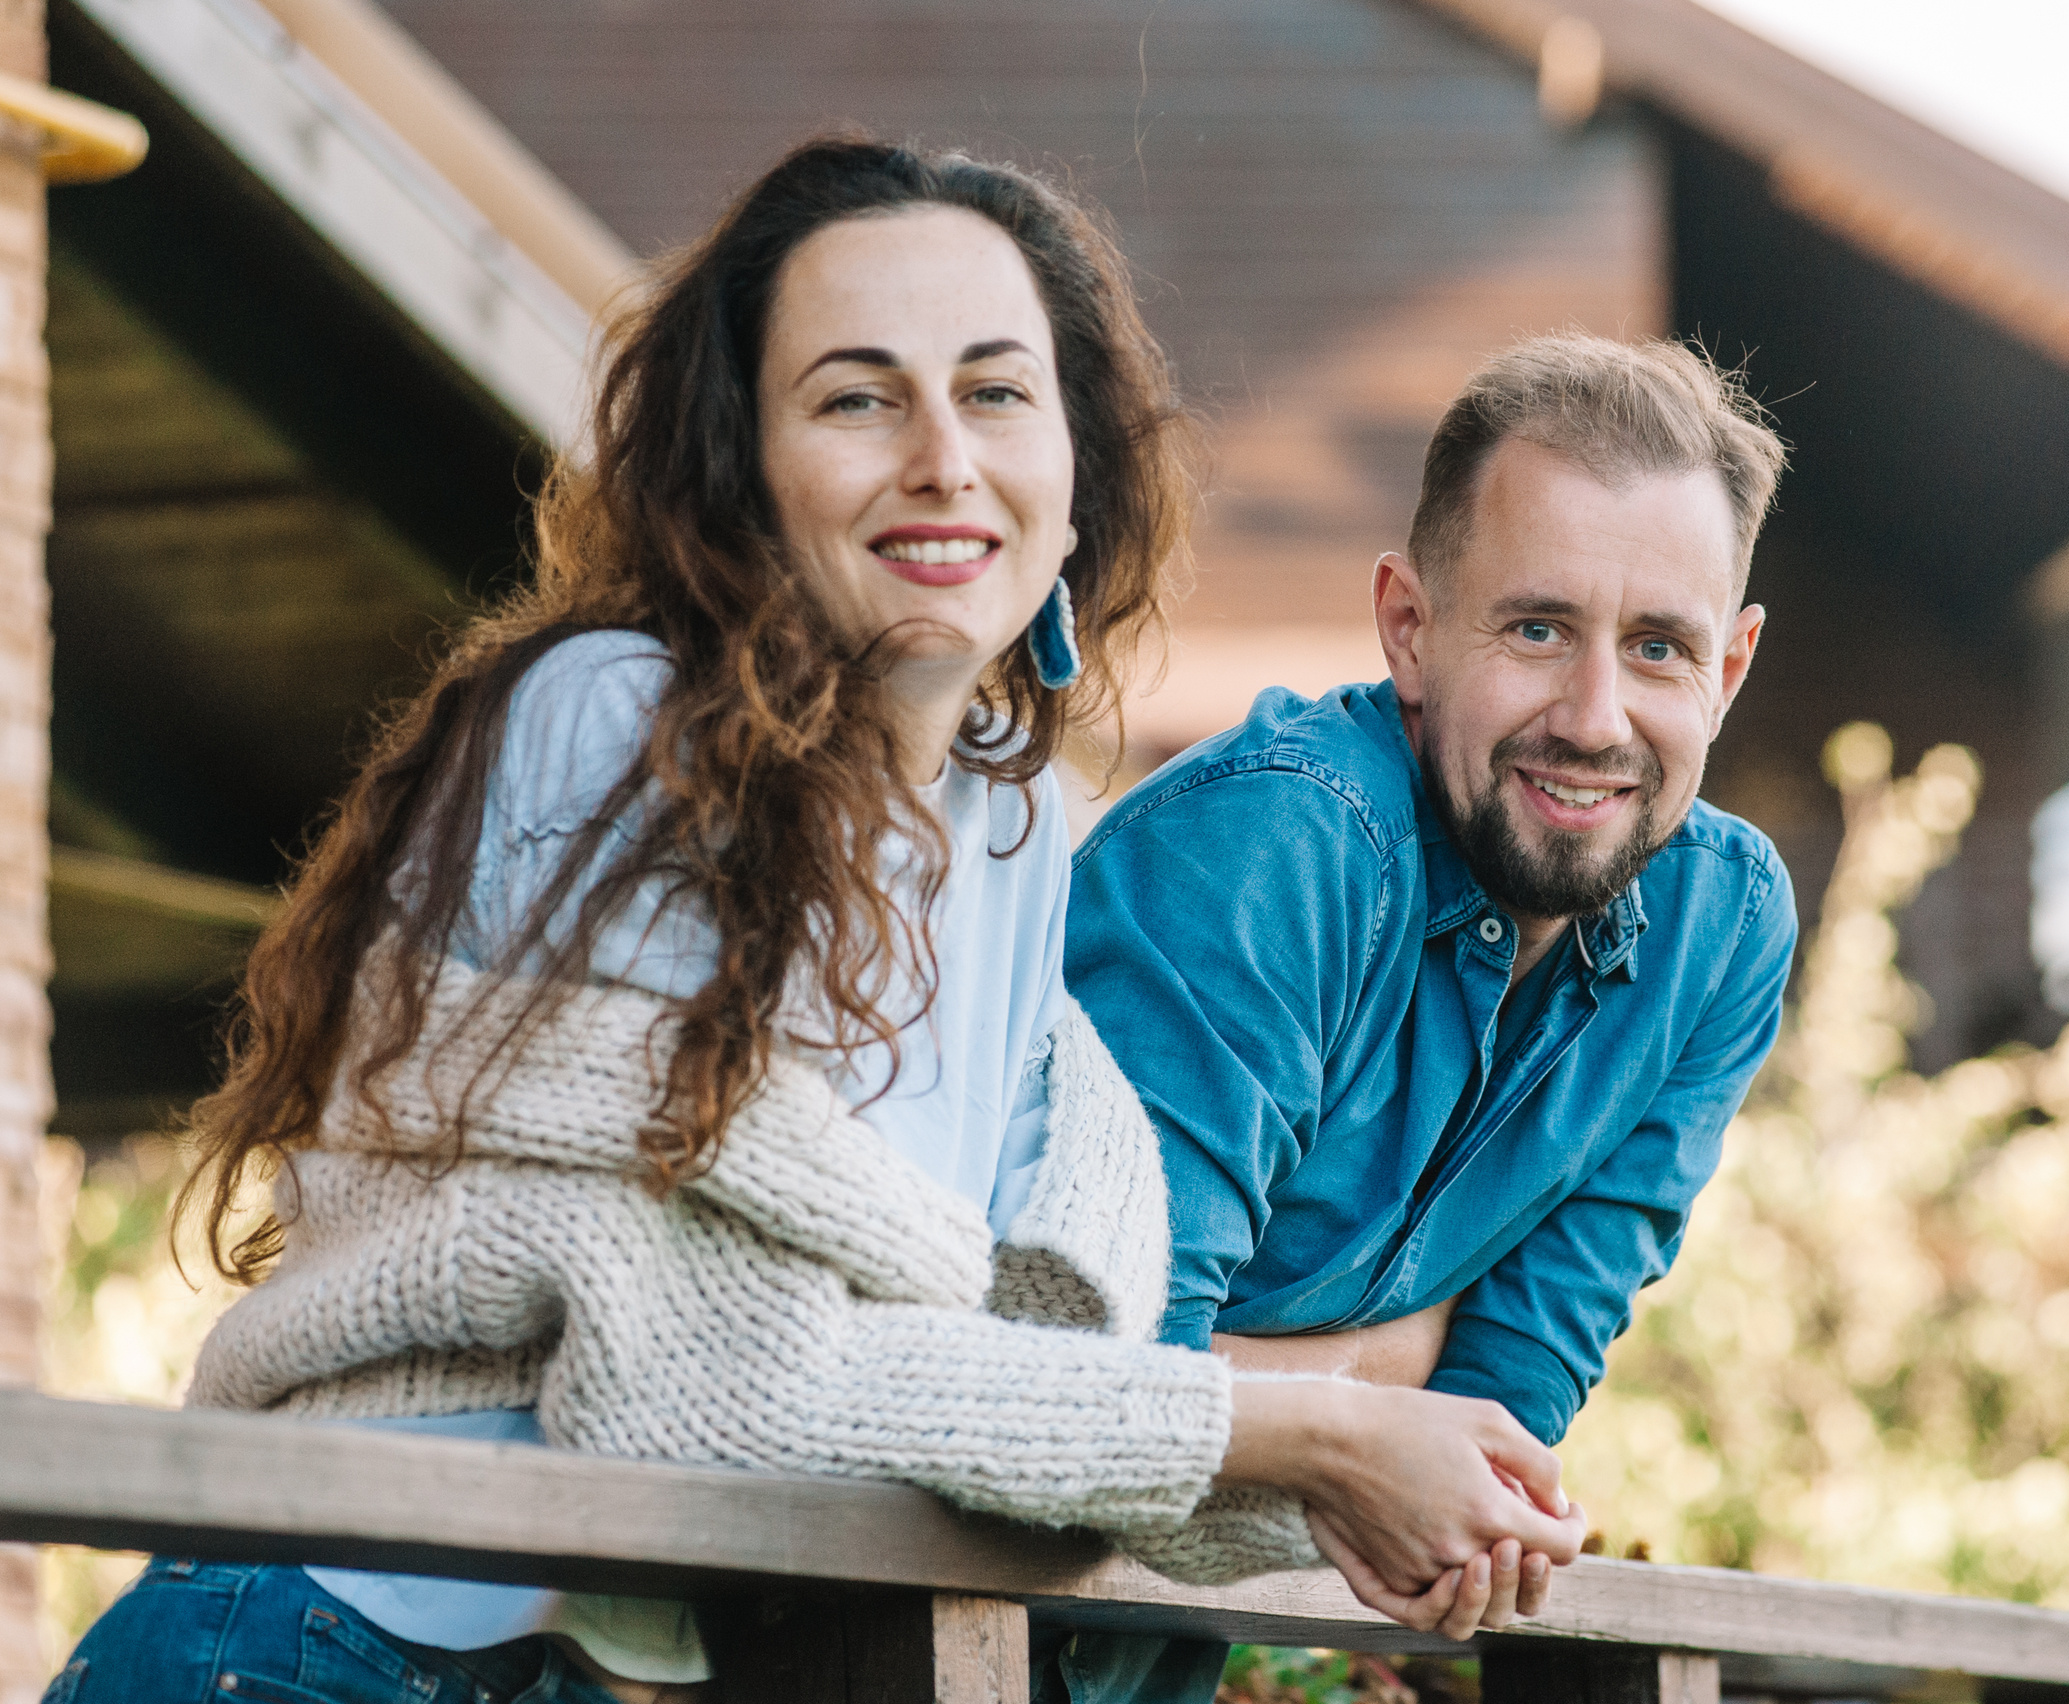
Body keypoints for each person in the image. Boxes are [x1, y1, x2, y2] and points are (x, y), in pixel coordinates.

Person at [47, 139, 1585, 1704]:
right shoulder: (618, 724)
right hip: (326, 1643)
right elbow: (714, 1384)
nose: (941, 458)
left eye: (996, 393)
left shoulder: (1007, 829)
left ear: (1079, 478)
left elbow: (1001, 1387)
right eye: (856, 397)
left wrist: (1371, 1503)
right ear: (741, 473)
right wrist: (1319, 1437)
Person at [1064, 332, 1796, 1696]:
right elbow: (1102, 1396)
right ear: (1409, 626)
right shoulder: (1278, 847)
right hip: (897, 1628)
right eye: (1537, 628)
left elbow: (1501, 1422)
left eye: (1658, 648)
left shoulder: (1725, 929)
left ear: (1731, 667)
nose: (1595, 716)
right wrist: (1375, 1393)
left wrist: (1292, 1413)